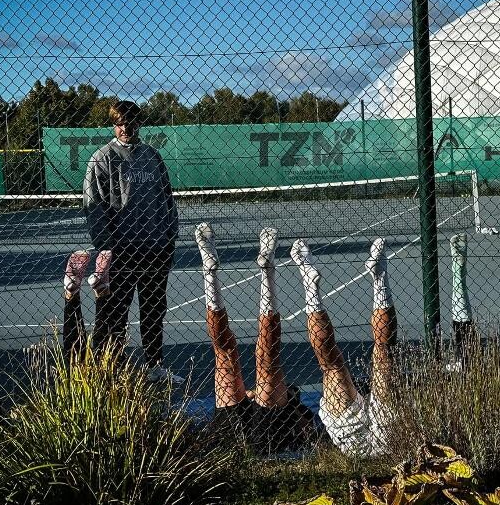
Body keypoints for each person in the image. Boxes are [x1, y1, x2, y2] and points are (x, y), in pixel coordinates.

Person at [194, 223, 316, 452]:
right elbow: (306, 428)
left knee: (227, 355)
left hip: (246, 434)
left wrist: (254, 395)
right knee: (263, 360)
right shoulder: (291, 404)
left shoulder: (294, 407)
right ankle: (259, 270)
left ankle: (212, 271)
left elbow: (306, 428)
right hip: (268, 430)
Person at [82, 100, 180, 382]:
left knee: (153, 309)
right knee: (116, 313)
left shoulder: (152, 156)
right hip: (120, 253)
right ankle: (116, 368)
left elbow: (167, 200)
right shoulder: (101, 159)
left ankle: (155, 366)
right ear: (114, 125)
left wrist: (169, 239)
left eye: (131, 122)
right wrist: (106, 250)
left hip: (155, 249)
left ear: (139, 124)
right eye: (121, 122)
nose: (126, 127)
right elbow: (94, 208)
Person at [291, 236, 397, 457]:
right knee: (383, 350)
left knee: (332, 364)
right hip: (376, 445)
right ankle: (379, 276)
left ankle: (312, 285)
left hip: (360, 444)